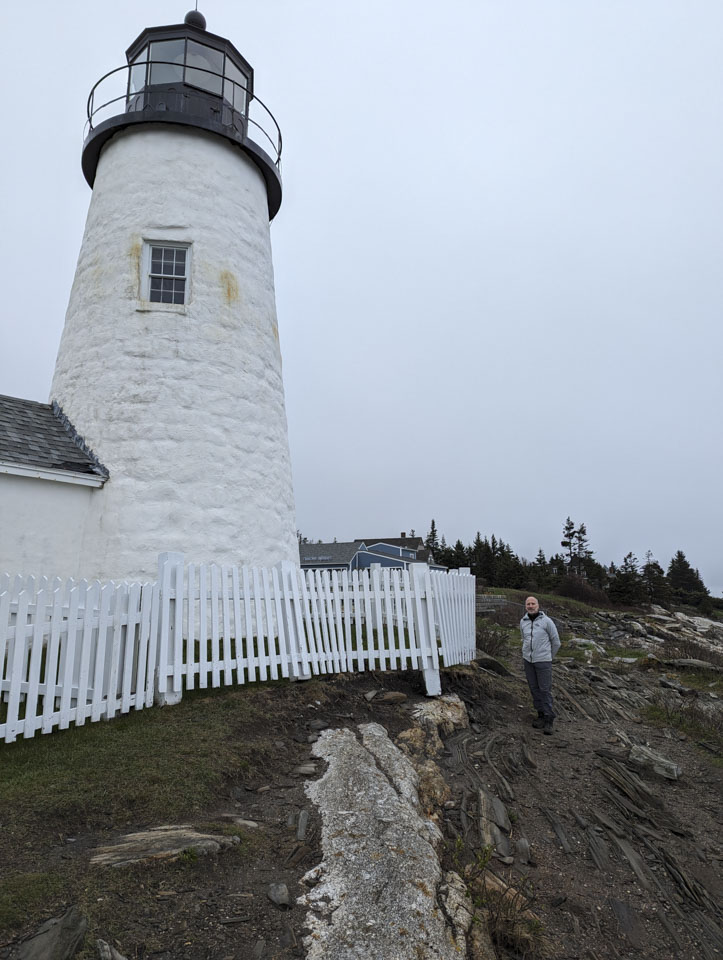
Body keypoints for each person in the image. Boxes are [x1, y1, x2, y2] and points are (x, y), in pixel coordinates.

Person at [520, 596, 560, 735]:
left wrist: (548, 657)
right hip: (528, 661)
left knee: (544, 689)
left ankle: (549, 718)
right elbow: (524, 638)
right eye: (528, 604)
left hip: (543, 661)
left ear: (538, 605)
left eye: (533, 604)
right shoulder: (523, 621)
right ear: (526, 606)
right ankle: (541, 715)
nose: (531, 606)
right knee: (534, 688)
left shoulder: (547, 621)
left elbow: (556, 642)